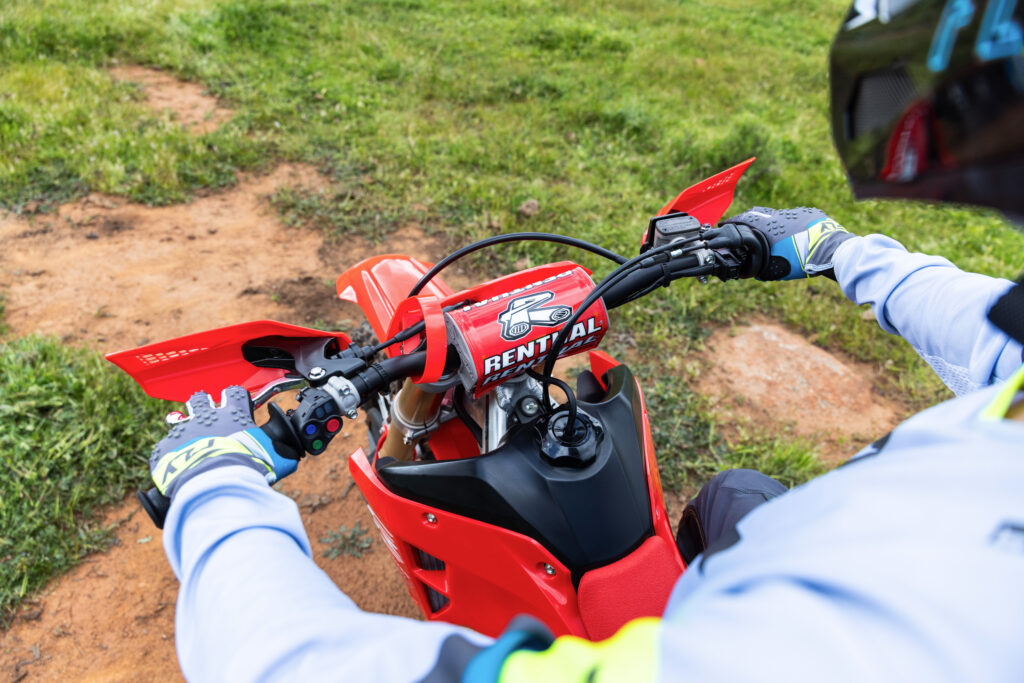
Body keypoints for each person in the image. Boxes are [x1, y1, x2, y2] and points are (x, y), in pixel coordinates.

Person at [147, 1, 1024, 680]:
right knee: (735, 495)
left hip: (769, 612)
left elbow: (283, 662)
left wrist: (213, 490)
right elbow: (996, 342)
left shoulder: (805, 646)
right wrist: (844, 253)